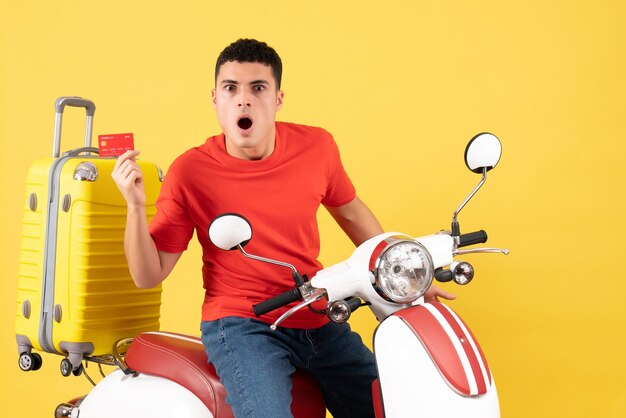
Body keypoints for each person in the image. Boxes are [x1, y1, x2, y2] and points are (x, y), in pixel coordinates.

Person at [112, 38, 454, 418]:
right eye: (231, 88)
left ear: (277, 99)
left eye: (258, 88)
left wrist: (405, 277)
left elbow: (353, 215)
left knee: (390, 405)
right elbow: (148, 274)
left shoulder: (317, 147)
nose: (244, 100)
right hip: (242, 324)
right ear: (215, 99)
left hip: (316, 312)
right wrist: (135, 205)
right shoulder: (189, 172)